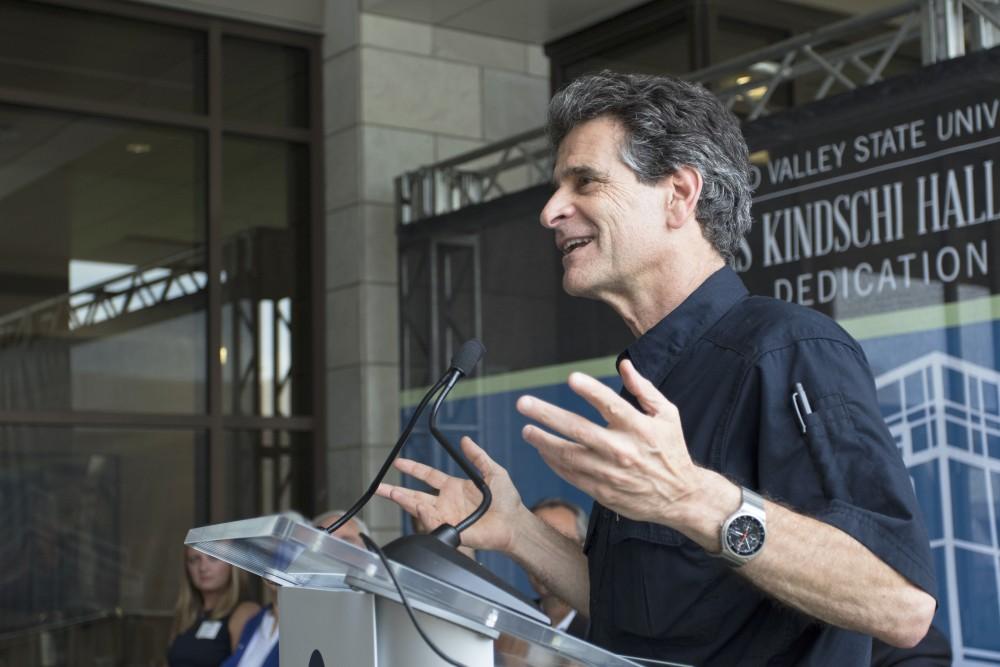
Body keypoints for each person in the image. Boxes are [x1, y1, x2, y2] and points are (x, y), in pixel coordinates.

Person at [377, 71, 937, 665]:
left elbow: (901, 605)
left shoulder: (787, 349)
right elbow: (641, 617)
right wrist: (516, 528)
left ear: (679, 194)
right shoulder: (652, 378)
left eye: (585, 181)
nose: (550, 212)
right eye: (556, 187)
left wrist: (691, 499)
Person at [166, 547, 260, 667]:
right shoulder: (187, 614)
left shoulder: (245, 612)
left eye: (213, 558)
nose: (203, 568)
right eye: (194, 559)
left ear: (233, 564)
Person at [528, 498, 589, 639]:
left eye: (563, 544)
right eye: (536, 544)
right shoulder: (511, 621)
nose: (548, 556)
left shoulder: (608, 632)